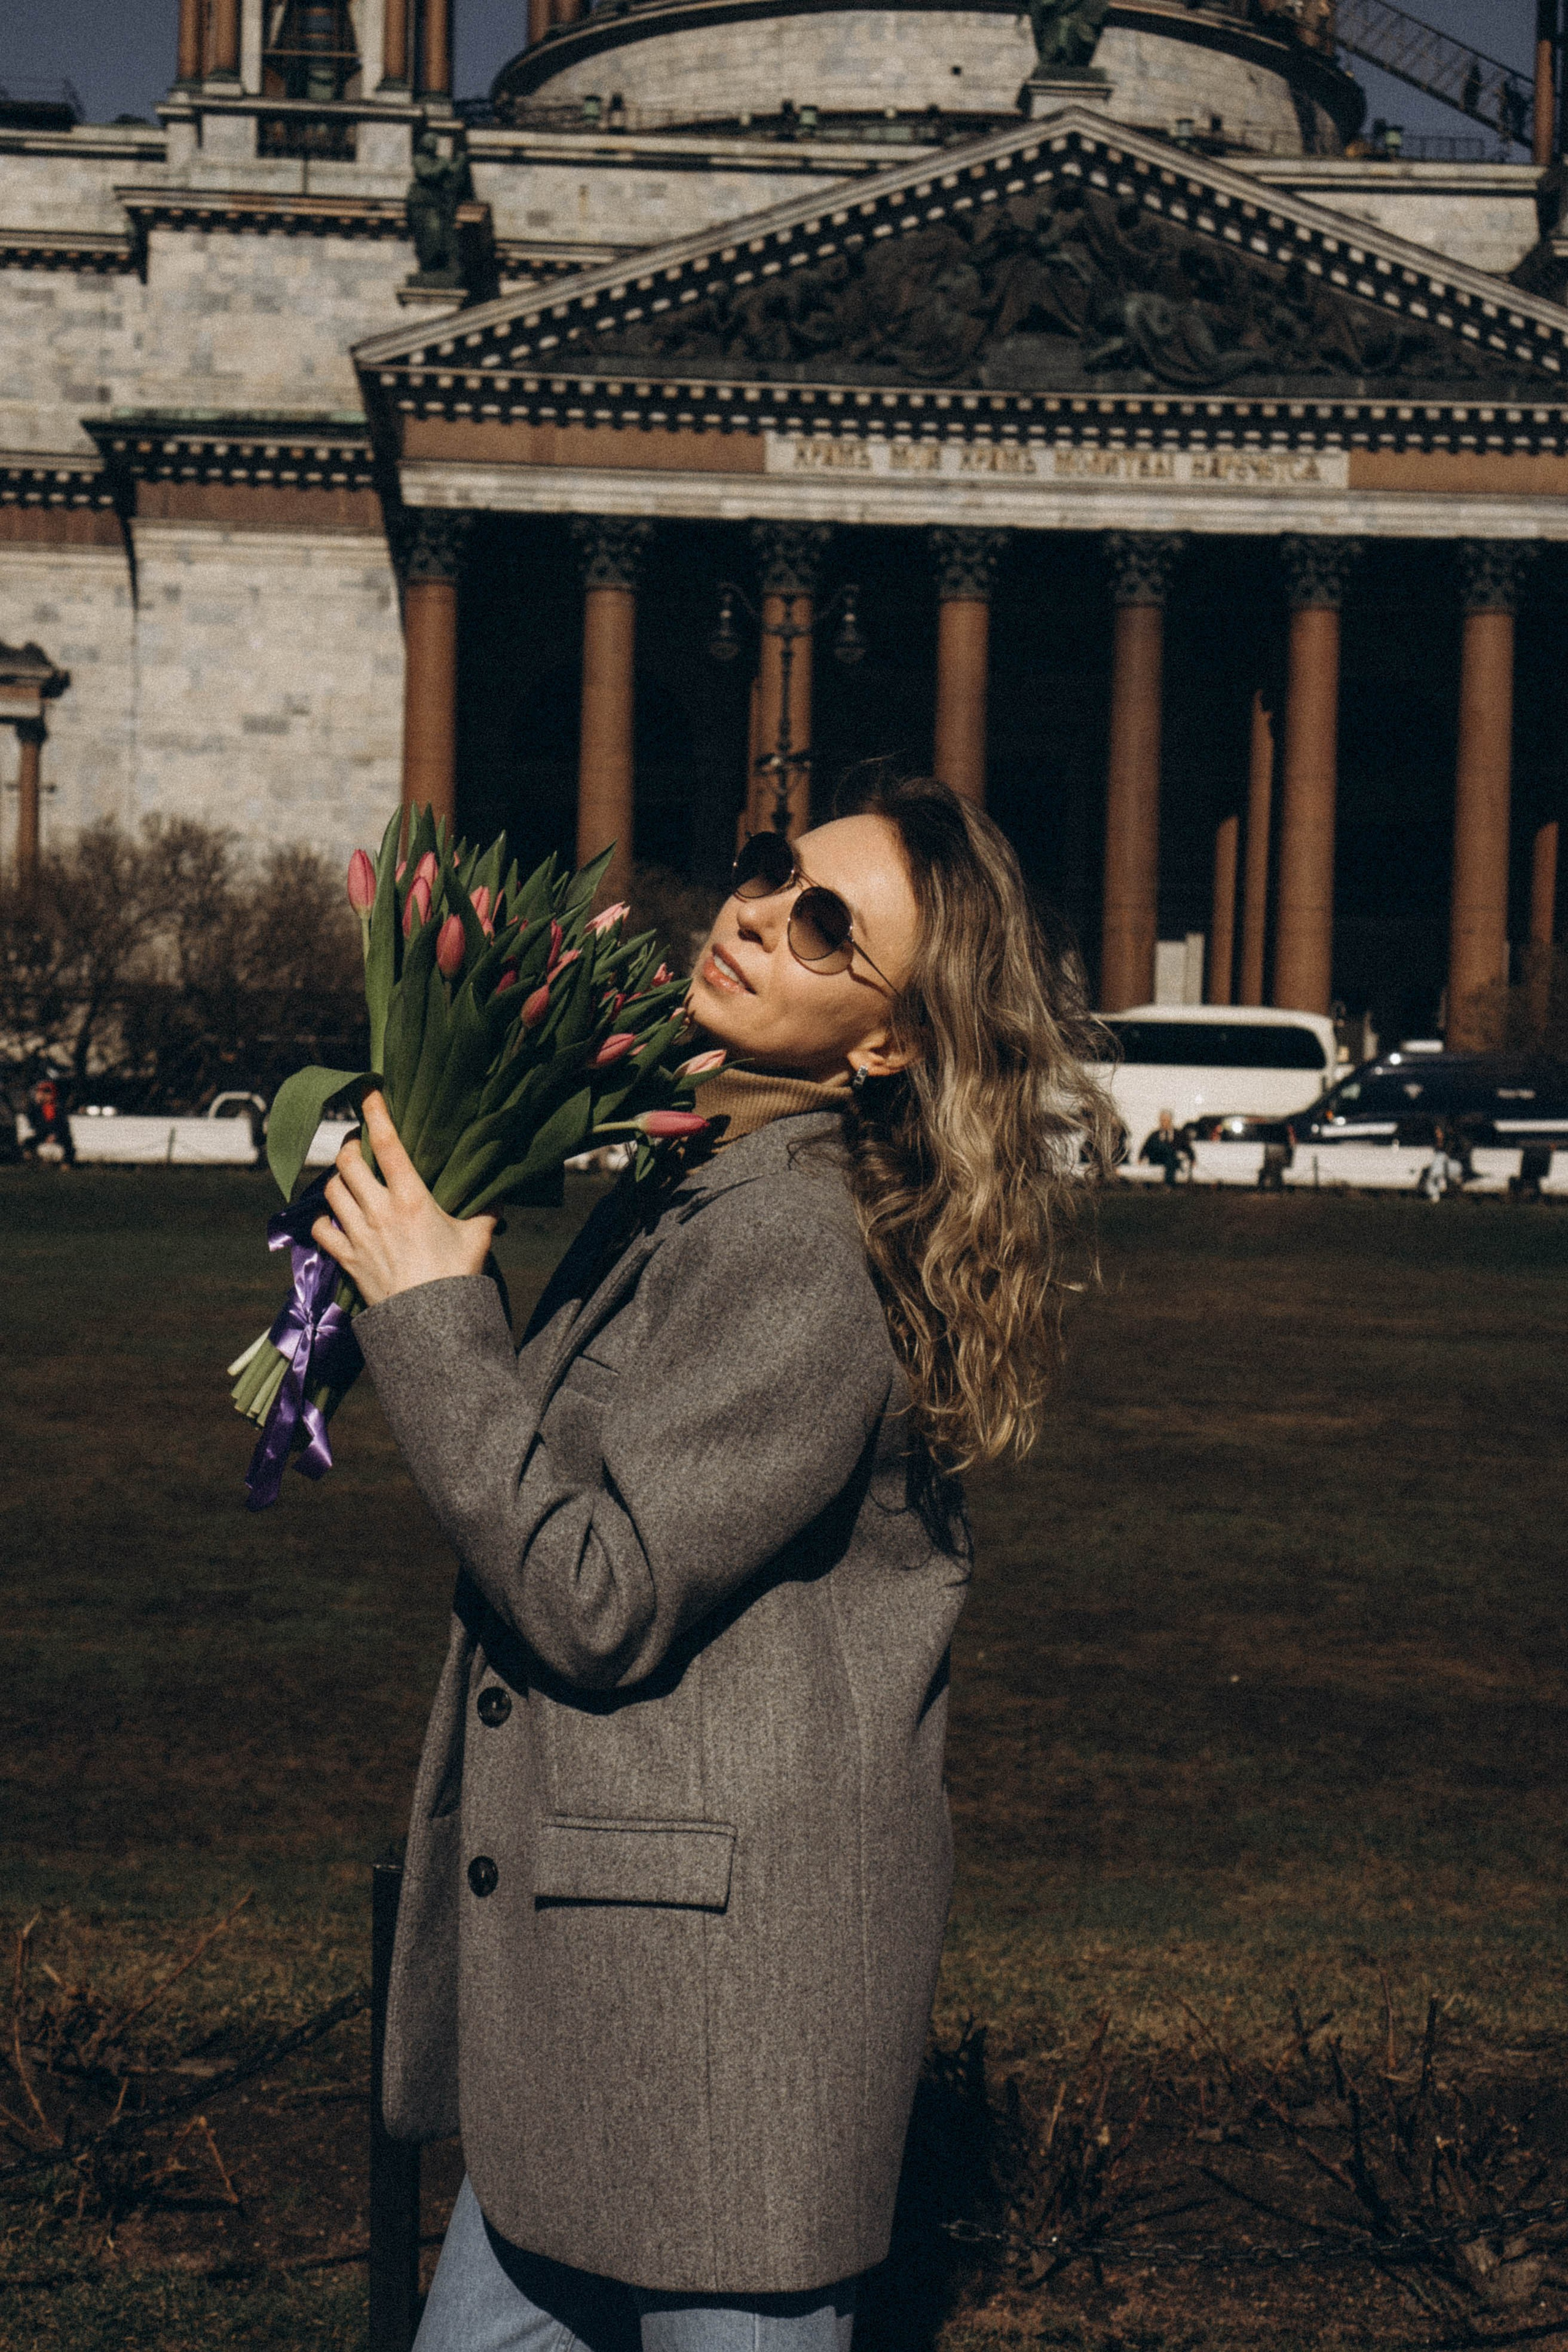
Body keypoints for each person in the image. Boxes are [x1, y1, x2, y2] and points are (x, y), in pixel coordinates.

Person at [312, 776, 1109, 2352]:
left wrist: (426, 1312)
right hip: (607, 2007)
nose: (754, 912)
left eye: (825, 926)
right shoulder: (697, 1177)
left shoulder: (799, 1238)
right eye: (767, 873)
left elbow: (594, 1593)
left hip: (723, 2043)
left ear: (886, 1040)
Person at [1140, 1106, 1190, 1187]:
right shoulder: (1154, 1135)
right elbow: (1146, 1147)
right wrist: (1141, 1158)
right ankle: (1161, 1186)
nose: (1163, 1123)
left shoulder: (1179, 1134)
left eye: (1165, 1120)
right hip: (1158, 1158)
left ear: (1170, 1121)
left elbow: (1187, 1148)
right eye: (1162, 1120)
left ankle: (1169, 1185)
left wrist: (1193, 1159)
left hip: (1173, 1160)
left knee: (1171, 1159)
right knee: (1163, 1148)